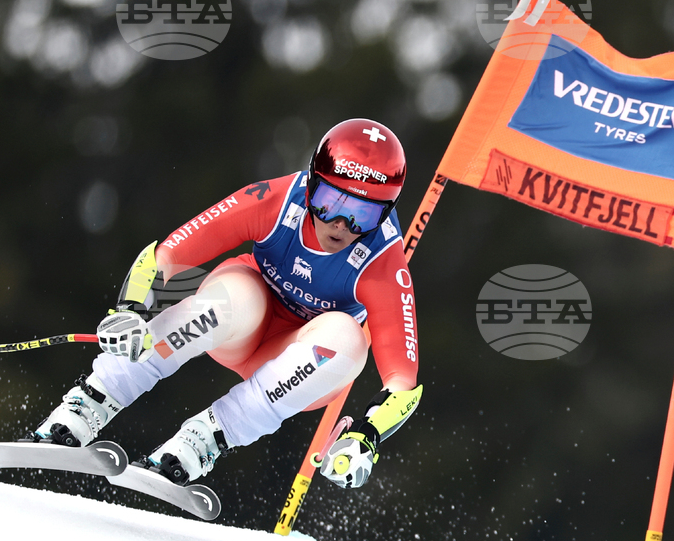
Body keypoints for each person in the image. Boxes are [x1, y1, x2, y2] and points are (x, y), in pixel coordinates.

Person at [26, 118, 421, 490]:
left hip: (297, 362)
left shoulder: (383, 259)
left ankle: (202, 441)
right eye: (330, 201)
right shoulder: (279, 200)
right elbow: (167, 254)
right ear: (311, 184)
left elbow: (403, 382)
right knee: (236, 298)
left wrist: (366, 436)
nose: (341, 224)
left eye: (362, 214)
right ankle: (88, 404)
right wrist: (130, 310)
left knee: (349, 341)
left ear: (385, 213)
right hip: (240, 325)